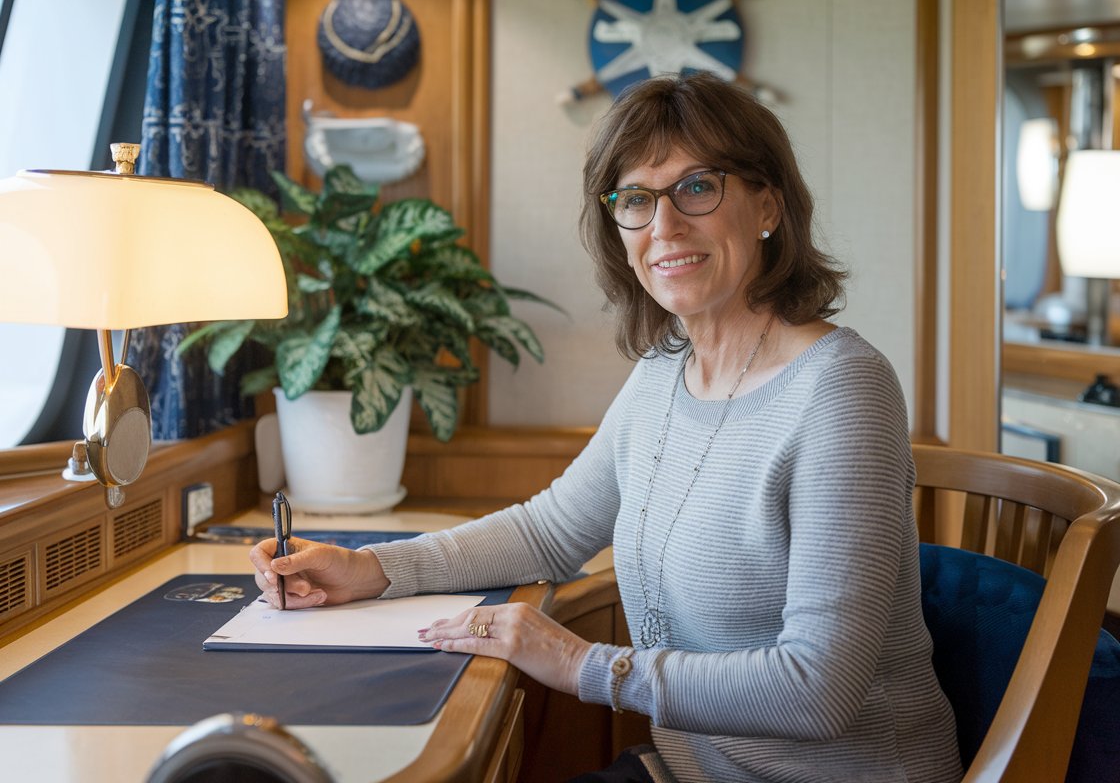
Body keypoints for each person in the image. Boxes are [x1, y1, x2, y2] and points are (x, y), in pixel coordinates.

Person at [250, 72, 962, 783]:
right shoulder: (666, 367)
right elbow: (548, 532)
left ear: (767, 205)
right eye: (636, 200)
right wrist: (372, 568)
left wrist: (576, 663)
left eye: (697, 188)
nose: (666, 227)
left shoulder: (842, 389)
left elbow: (818, 690)